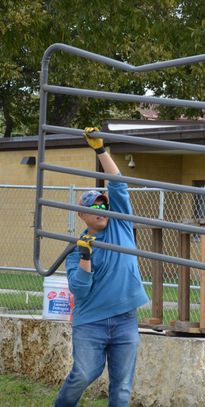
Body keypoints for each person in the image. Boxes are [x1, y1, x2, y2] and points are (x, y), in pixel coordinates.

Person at [54, 127, 148, 407]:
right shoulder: (77, 248)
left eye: (104, 204)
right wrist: (85, 258)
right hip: (91, 322)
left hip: (124, 318)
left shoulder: (121, 224)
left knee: (121, 388)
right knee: (83, 374)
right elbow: (79, 291)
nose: (103, 210)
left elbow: (117, 183)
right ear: (82, 215)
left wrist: (100, 150)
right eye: (96, 207)